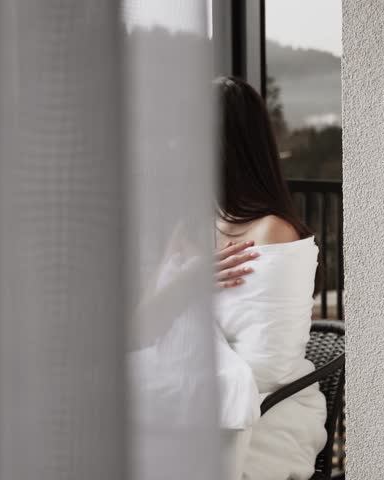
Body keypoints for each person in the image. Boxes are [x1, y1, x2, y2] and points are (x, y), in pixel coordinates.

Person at [131, 76, 327, 480]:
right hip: (179, 380)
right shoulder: (188, 227)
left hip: (246, 400)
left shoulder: (272, 232)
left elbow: (266, 368)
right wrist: (191, 282)